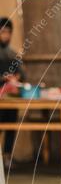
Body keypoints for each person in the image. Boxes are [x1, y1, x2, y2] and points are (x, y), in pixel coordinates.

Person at [0, 17, 25, 168]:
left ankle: (7, 156)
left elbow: (21, 74)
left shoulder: (12, 54)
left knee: (10, 125)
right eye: (2, 32)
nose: (6, 36)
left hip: (11, 97)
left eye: (8, 32)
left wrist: (16, 77)